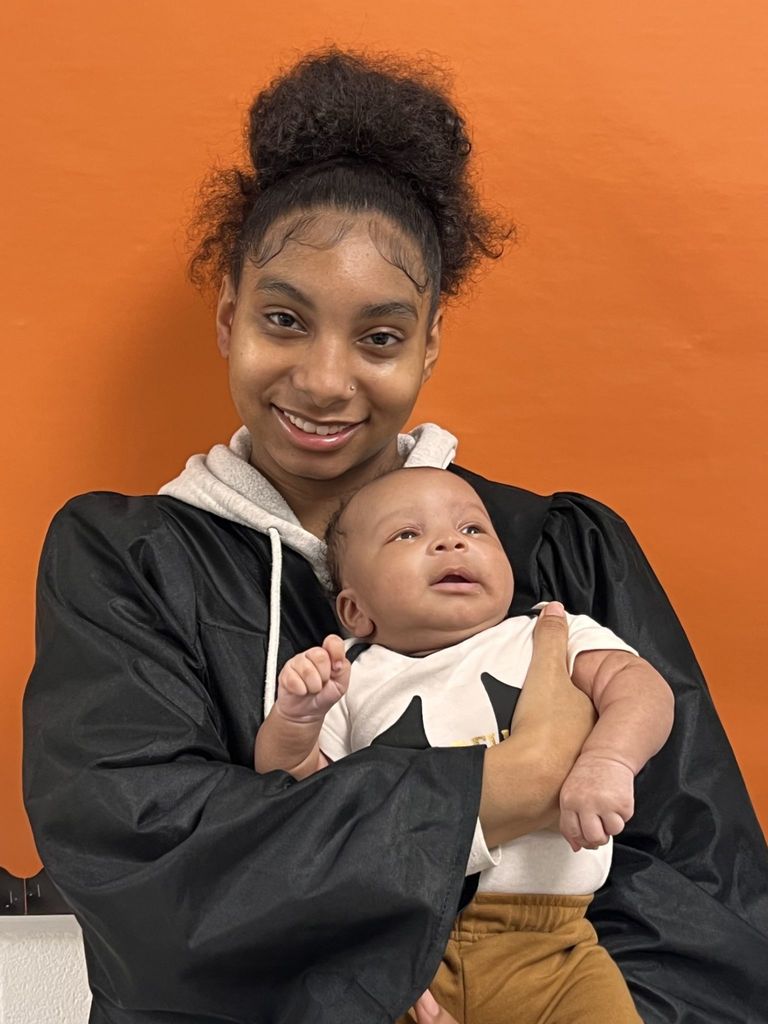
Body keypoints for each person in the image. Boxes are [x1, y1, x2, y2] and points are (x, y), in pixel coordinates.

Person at [22, 47, 768, 1024]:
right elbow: (153, 882)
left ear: (429, 342)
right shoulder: (131, 566)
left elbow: (706, 910)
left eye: (378, 336)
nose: (327, 380)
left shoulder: (548, 553)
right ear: (227, 317)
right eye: (283, 319)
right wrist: (512, 780)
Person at [254, 466, 675, 1023]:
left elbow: (642, 688)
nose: (451, 541)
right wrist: (297, 717)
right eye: (407, 534)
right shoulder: (350, 674)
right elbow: (296, 790)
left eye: (474, 530)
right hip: (405, 948)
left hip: (554, 952)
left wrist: (608, 759)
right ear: (355, 611)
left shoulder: (548, 630)